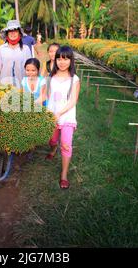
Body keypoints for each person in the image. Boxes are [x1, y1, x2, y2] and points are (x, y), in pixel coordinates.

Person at [45, 46, 80, 190]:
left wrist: (59, 113)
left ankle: (64, 175)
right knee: (52, 140)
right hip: (51, 116)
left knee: (65, 144)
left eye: (65, 59)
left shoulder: (74, 79)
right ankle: (53, 150)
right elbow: (44, 95)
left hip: (66, 117)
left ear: (71, 61)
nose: (62, 62)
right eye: (59, 59)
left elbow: (73, 101)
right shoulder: (50, 77)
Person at [0, 20, 32, 88]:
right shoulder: (1, 49)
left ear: (19, 33)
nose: (13, 33)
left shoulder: (25, 49)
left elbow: (30, 68)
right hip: (4, 87)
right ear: (7, 33)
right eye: (10, 31)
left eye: (15, 31)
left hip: (21, 87)